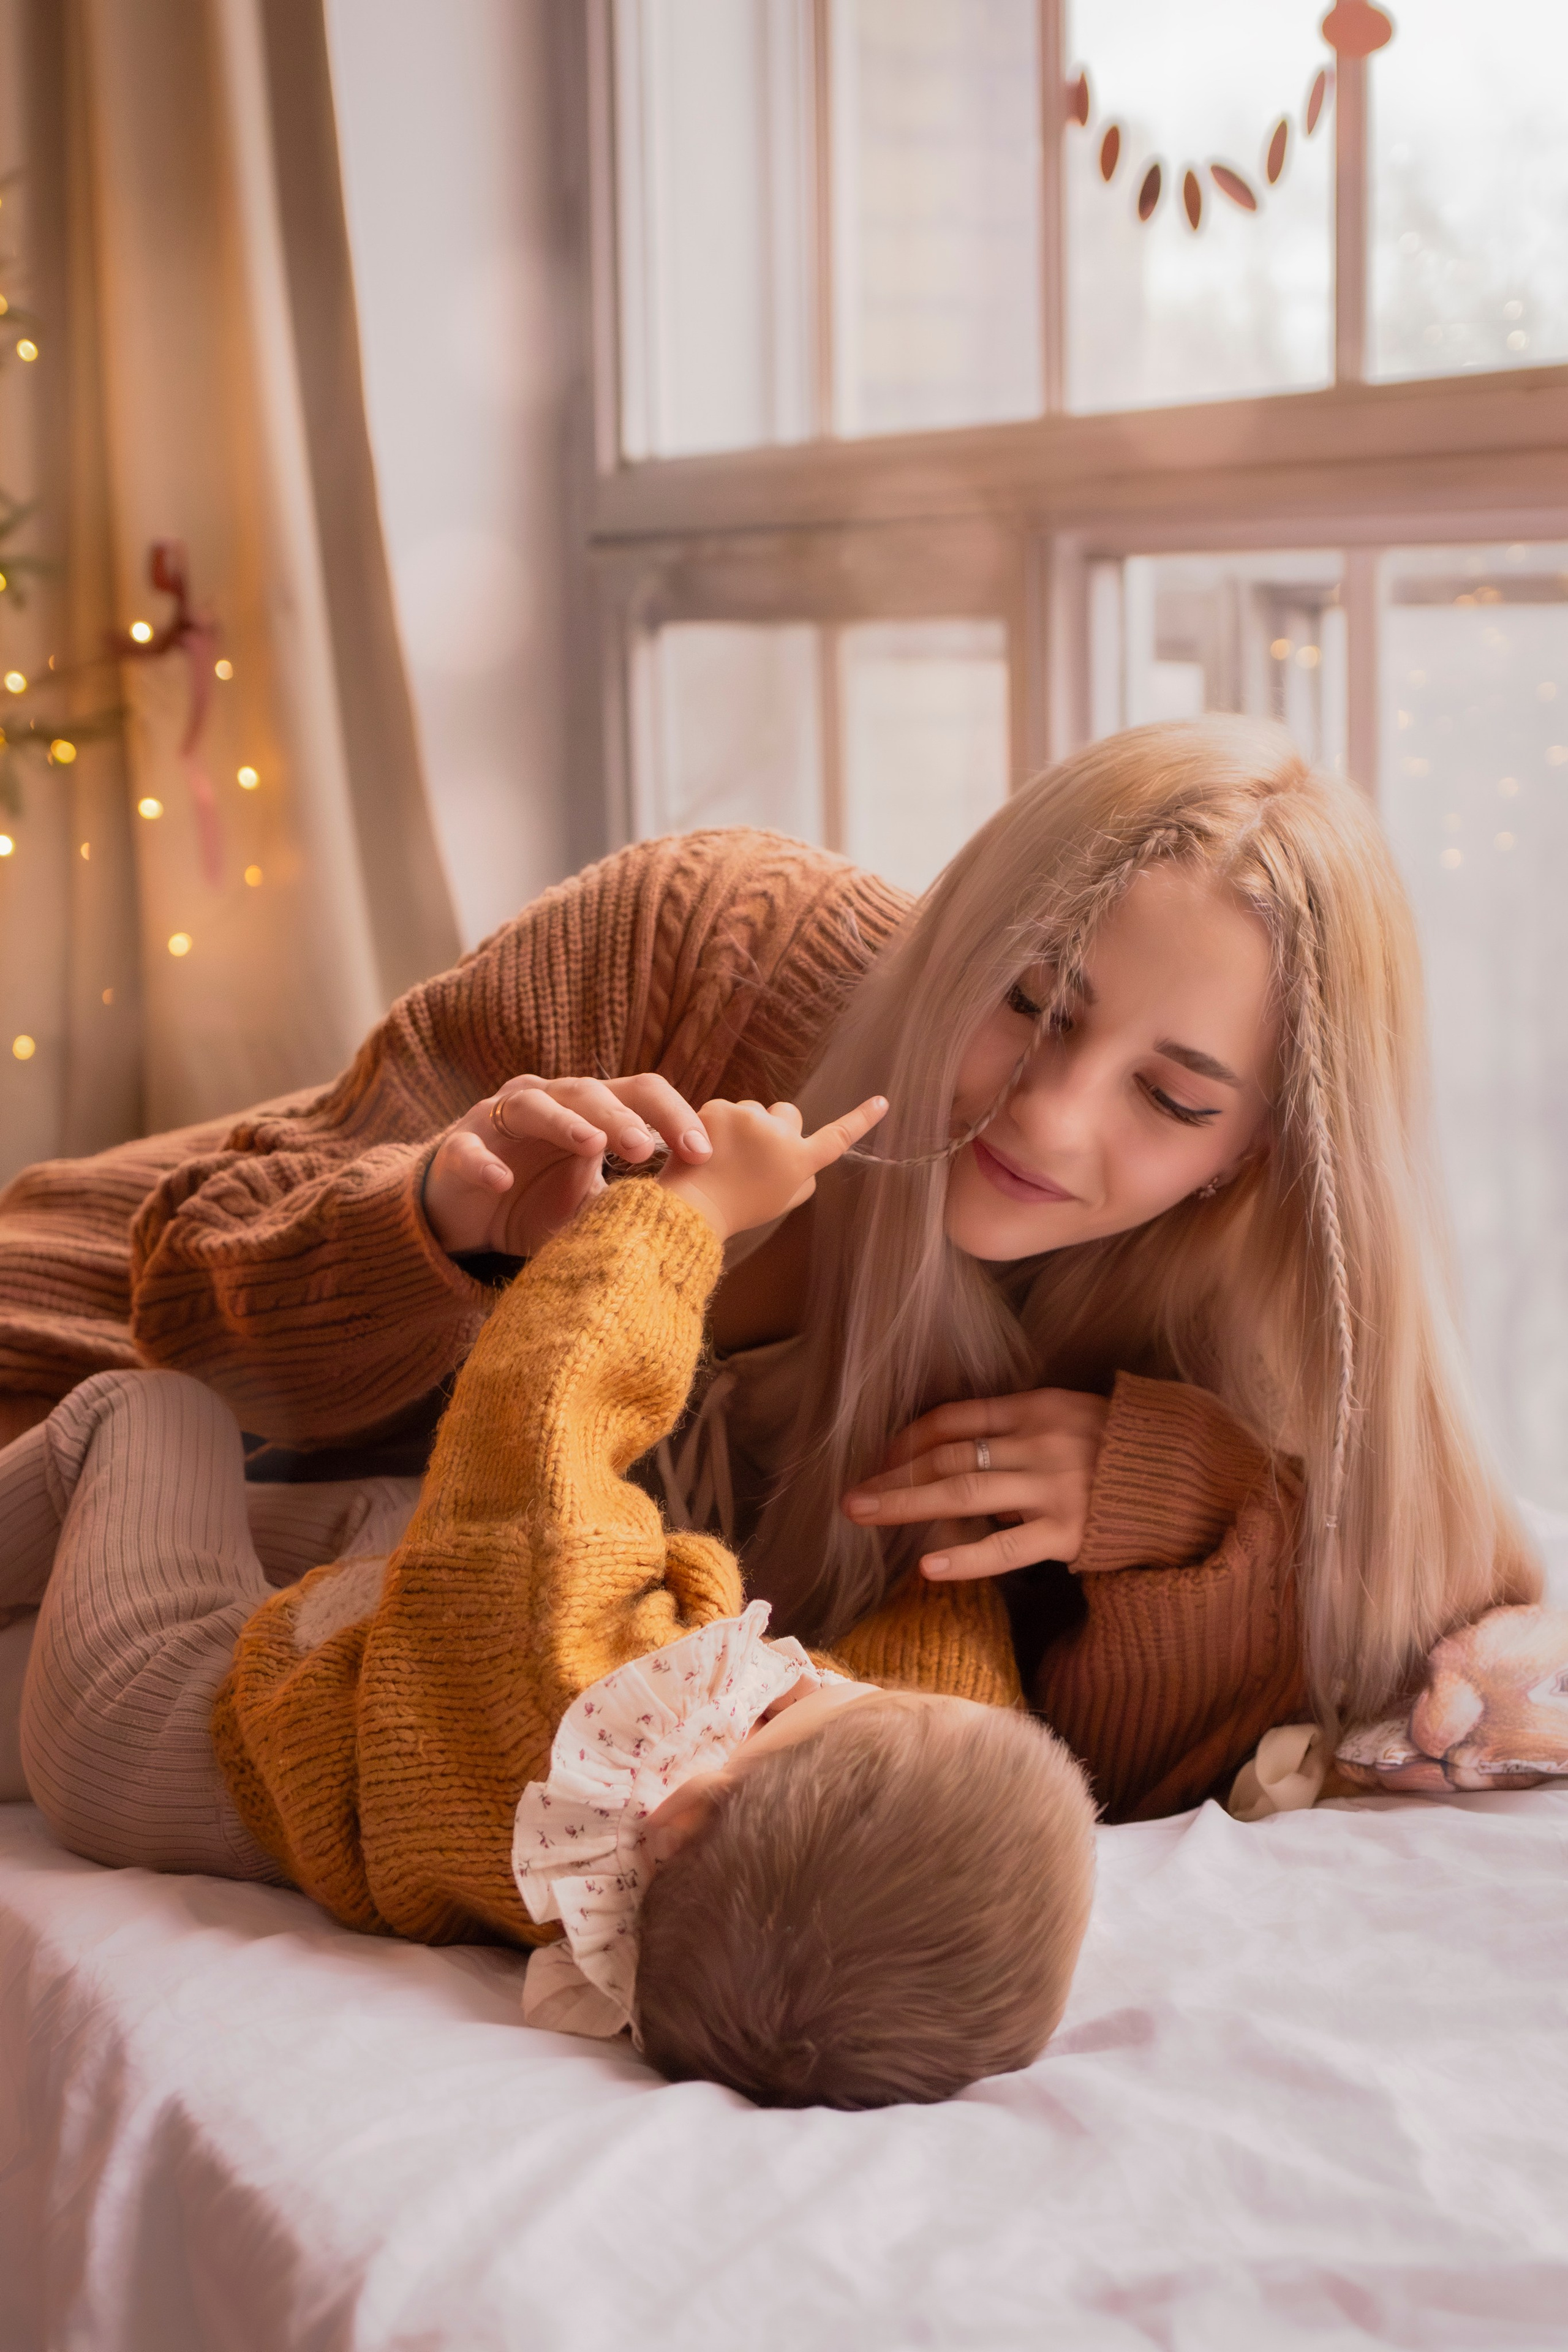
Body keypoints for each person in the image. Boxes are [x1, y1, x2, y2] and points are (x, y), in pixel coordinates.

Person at [0, 717, 1550, 1814]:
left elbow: (1107, 1767)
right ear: (966, 929)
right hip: (60, 1368)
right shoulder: (708, 943)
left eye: (1171, 1098)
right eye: (1030, 1002)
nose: (1049, 1113)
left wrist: (1179, 1496)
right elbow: (184, 1311)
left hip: (262, 1598)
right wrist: (435, 1225)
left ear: (1261, 1152)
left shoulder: (1201, 1321)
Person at [4, 1092, 1097, 2110]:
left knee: (152, 1417)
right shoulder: (699, 1897)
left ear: (682, 1815)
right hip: (344, 1700)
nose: (809, 1673)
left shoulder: (574, 1672)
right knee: (386, 1525)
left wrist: (693, 1214)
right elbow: (932, 1712)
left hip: (149, 1709)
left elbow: (543, 1408)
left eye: (792, 1704)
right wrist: (947, 1544)